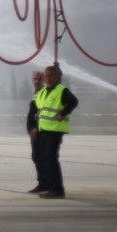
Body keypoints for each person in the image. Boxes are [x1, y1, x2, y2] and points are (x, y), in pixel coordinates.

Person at [35, 65, 78, 199]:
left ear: (57, 76)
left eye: (50, 76)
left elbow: (73, 102)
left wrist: (63, 113)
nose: (47, 78)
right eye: (46, 76)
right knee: (45, 160)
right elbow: (41, 108)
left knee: (52, 160)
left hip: (54, 131)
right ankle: (50, 186)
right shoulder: (43, 91)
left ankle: (58, 189)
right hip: (43, 129)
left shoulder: (61, 90)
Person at [26, 70, 46, 192]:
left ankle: (46, 183)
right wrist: (31, 129)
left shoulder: (43, 93)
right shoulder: (36, 93)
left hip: (42, 131)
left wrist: (36, 128)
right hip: (35, 131)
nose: (37, 81)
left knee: (43, 158)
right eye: (35, 79)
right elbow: (32, 114)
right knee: (36, 157)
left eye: (39, 79)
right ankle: (42, 182)